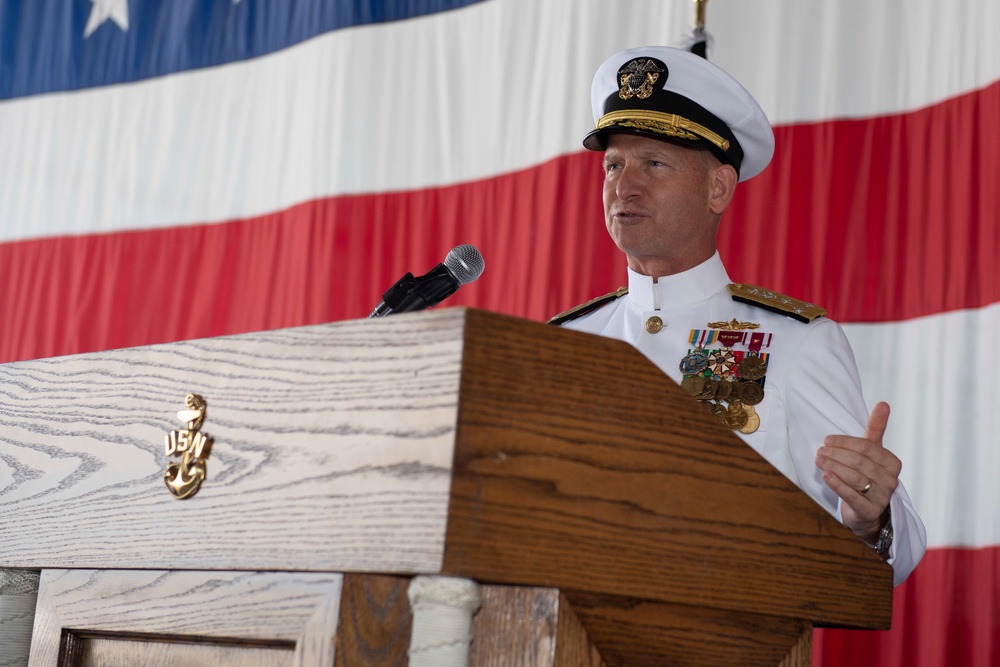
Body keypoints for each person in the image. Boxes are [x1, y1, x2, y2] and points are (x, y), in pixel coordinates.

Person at [552, 45, 925, 584]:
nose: (623, 185)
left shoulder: (795, 342)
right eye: (613, 163)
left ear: (718, 188)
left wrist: (870, 520)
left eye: (653, 163)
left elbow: (895, 556)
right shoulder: (564, 342)